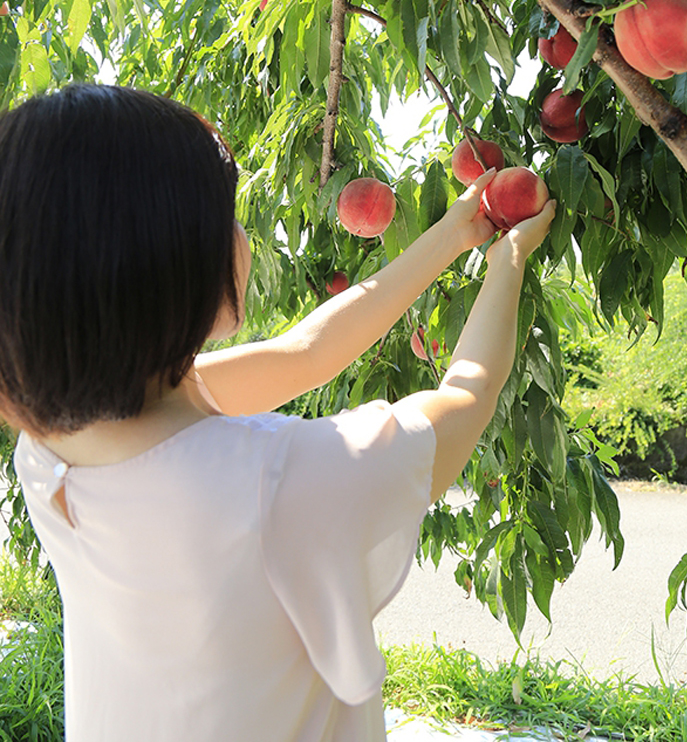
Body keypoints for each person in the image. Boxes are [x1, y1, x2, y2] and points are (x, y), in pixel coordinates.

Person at [1, 83, 556, 742]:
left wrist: (449, 236)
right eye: (225, 214)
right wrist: (509, 262)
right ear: (167, 253)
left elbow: (306, 350)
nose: (241, 233)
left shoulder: (49, 450)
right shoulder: (278, 482)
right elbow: (468, 395)